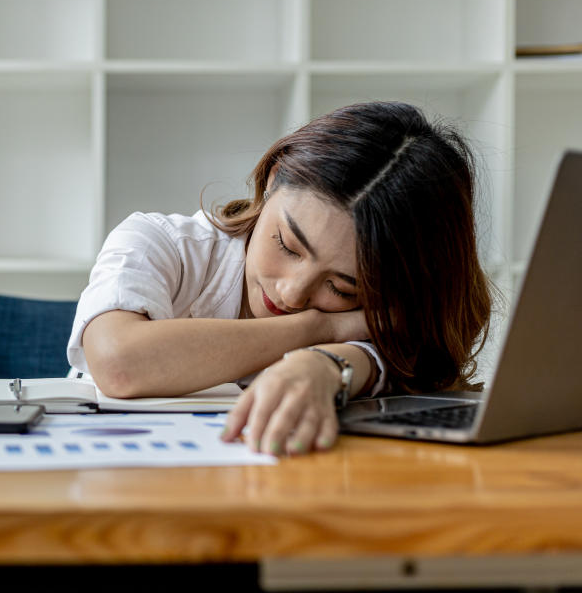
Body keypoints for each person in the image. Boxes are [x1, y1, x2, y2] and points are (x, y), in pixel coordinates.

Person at [66, 101, 493, 456]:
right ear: (271, 179)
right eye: (288, 245)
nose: (291, 292)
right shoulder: (162, 243)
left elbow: (381, 365)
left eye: (342, 287)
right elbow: (119, 364)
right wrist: (321, 326)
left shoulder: (381, 321)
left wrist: (324, 364)